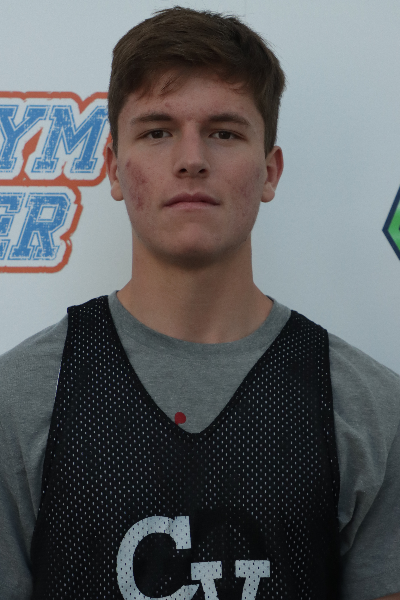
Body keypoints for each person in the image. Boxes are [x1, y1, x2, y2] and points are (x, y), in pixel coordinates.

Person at [0, 6, 399, 600]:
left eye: (224, 132)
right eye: (157, 132)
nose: (191, 158)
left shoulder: (370, 408)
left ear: (270, 171)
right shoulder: (19, 399)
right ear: (113, 169)